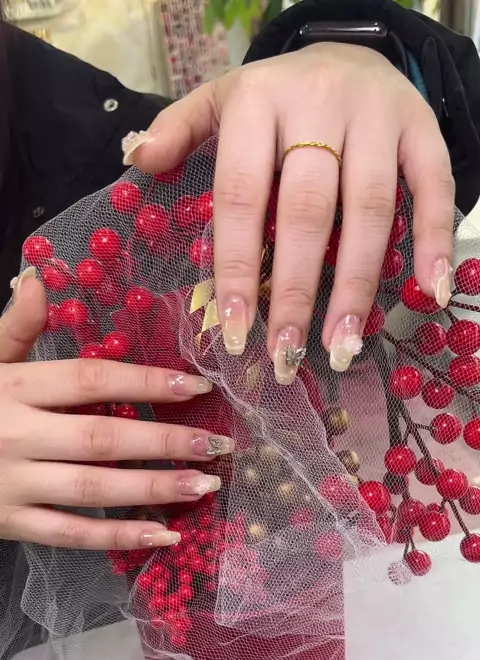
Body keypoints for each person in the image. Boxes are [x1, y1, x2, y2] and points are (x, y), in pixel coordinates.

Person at [0, 0, 478, 551]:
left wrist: (350, 55)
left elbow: (326, 251)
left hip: (257, 548)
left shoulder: (92, 141)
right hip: (166, 564)